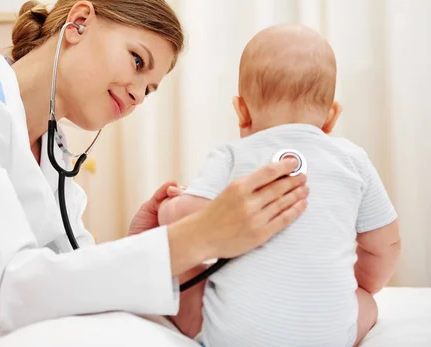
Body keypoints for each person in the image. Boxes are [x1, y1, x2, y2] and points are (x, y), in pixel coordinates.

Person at [0, 0, 309, 346]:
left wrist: (144, 243)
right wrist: (192, 238)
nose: (140, 94)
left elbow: (63, 286)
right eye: (138, 62)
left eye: (151, 89)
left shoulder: (54, 160)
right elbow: (14, 287)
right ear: (78, 23)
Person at [157, 24, 401, 347]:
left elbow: (192, 219)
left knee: (180, 272)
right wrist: (361, 286)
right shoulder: (353, 160)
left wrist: (168, 207)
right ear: (332, 116)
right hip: (328, 337)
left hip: (231, 334)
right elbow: (386, 244)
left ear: (241, 111)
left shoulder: (232, 155)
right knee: (367, 304)